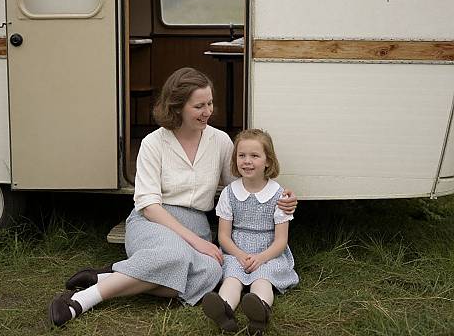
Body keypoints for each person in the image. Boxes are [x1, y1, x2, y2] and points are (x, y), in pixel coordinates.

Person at [48, 68, 297, 327]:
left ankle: (112, 275)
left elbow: (243, 186)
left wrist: (282, 197)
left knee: (211, 274)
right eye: (199, 106)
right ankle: (81, 300)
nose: (208, 111)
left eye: (210, 103)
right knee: (176, 257)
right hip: (154, 221)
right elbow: (148, 205)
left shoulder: (220, 141)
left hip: (197, 224)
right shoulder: (153, 143)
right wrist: (198, 244)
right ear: (177, 107)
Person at [202, 128, 298, 335]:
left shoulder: (278, 195)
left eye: (254, 156)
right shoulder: (230, 193)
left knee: (262, 280)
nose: (247, 161)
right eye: (242, 155)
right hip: (236, 250)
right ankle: (224, 309)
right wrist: (239, 255)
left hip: (268, 252)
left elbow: (281, 241)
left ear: (268, 161)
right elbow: (224, 236)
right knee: (232, 279)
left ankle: (259, 311)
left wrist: (261, 258)